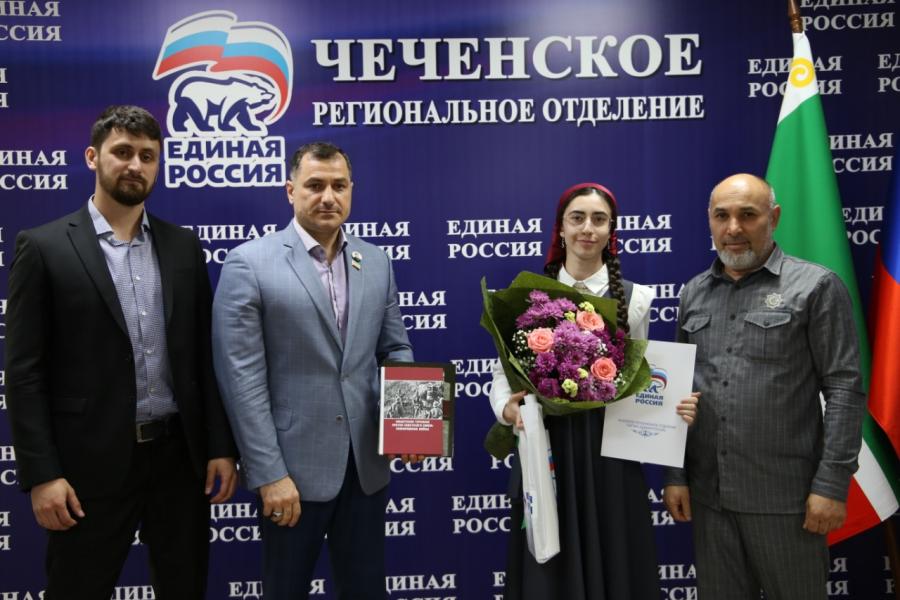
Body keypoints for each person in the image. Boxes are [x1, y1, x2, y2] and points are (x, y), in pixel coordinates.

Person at [4, 105, 238, 599]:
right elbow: (24, 373)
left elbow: (204, 357)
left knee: (185, 588)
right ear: (93, 157)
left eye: (148, 156)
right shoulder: (44, 247)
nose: (135, 165)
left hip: (179, 460)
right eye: (123, 152)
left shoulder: (183, 246)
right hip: (87, 464)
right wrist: (42, 474)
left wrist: (220, 446)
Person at [212, 141, 414, 599]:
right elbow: (241, 381)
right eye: (315, 185)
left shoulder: (376, 260)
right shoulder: (249, 263)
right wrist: (269, 474)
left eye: (339, 186)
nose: (328, 197)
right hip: (290, 474)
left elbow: (395, 348)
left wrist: (407, 425)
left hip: (365, 469)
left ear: (351, 190)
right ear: (291, 191)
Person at [489, 182, 698, 600]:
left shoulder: (637, 299)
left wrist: (673, 407)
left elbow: (645, 380)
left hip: (612, 454)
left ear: (611, 231)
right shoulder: (527, 294)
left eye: (599, 220)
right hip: (548, 451)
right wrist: (507, 411)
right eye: (577, 218)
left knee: (616, 562)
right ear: (560, 228)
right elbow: (500, 377)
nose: (588, 228)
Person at [663, 173, 866, 600]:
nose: (733, 228)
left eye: (748, 215)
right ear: (710, 220)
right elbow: (677, 389)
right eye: (722, 216)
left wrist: (831, 485)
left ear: (773, 218)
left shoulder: (816, 286)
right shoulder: (693, 293)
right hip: (710, 498)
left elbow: (844, 391)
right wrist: (676, 474)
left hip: (787, 502)